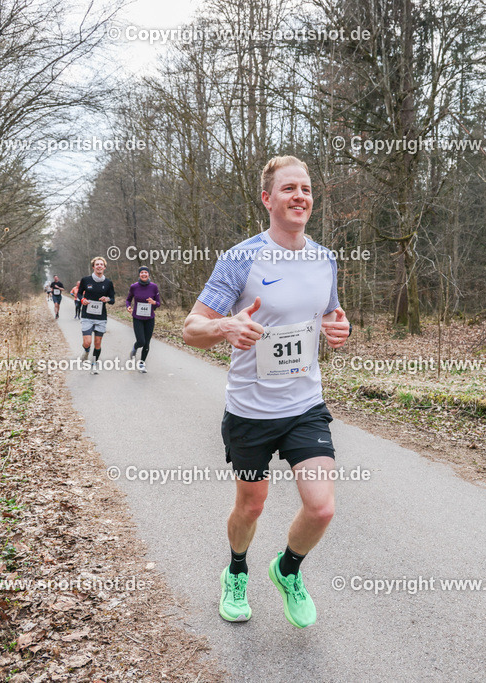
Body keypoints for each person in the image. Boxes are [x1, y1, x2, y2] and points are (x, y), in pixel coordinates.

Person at [183, 156, 350, 628]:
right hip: (250, 410)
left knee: (321, 509)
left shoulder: (324, 259)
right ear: (267, 198)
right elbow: (191, 329)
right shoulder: (241, 259)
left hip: (304, 406)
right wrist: (226, 326)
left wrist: (342, 330)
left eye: (306, 189)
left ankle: (287, 569)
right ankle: (236, 570)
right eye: (289, 188)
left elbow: (333, 316)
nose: (300, 196)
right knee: (251, 505)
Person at [77, 257, 115, 375]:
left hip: (100, 317)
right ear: (93, 267)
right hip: (87, 315)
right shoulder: (86, 280)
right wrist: (82, 299)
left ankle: (94, 364)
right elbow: (78, 293)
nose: (99, 266)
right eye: (97, 264)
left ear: (104, 267)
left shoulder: (108, 283)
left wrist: (107, 299)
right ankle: (86, 351)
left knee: (97, 343)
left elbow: (112, 299)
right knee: (87, 342)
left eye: (101, 264)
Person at [126, 266, 162, 373]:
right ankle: (135, 347)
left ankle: (142, 363)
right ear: (139, 275)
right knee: (141, 341)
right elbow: (128, 299)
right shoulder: (134, 287)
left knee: (147, 342)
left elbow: (159, 303)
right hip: (137, 318)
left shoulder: (154, 287)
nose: (144, 274)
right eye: (142, 272)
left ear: (149, 275)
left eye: (146, 272)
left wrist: (154, 302)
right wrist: (128, 306)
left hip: (149, 318)